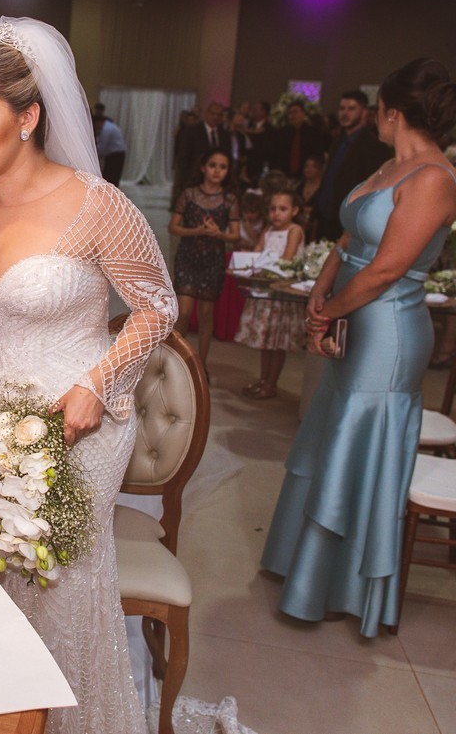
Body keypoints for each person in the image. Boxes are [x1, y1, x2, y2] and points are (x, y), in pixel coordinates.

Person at [0, 17, 176, 734]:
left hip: (76, 421)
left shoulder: (97, 206)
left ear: (30, 115)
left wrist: (96, 385)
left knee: (56, 588)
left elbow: (156, 306)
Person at [261, 58, 456, 637]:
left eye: (376, 107)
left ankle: (337, 588)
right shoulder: (387, 168)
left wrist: (329, 312)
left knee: (356, 445)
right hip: (353, 320)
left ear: (393, 111)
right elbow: (347, 245)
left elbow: (388, 269)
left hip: (389, 333)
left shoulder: (434, 177)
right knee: (326, 439)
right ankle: (302, 568)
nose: (373, 115)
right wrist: (319, 298)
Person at [169, 148, 240, 374]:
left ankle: (201, 364)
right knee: (185, 311)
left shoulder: (229, 199)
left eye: (223, 167)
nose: (217, 171)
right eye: (213, 165)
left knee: (207, 314)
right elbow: (173, 227)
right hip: (188, 257)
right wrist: (197, 230)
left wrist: (219, 234)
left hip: (213, 260)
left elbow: (236, 235)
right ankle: (177, 361)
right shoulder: (189, 194)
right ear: (203, 167)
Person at [235, 189, 306, 399]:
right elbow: (258, 254)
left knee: (277, 343)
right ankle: (263, 380)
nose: (276, 214)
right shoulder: (268, 230)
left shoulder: (294, 231)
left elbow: (287, 259)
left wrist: (263, 262)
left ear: (294, 211)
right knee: (266, 342)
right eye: (273, 209)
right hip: (266, 294)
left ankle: (272, 383)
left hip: (282, 295)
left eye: (282, 209)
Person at [313, 89, 394, 242]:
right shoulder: (338, 141)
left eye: (351, 109)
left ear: (364, 112)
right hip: (327, 214)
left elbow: (376, 187)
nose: (345, 113)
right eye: (342, 108)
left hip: (349, 218)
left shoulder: (374, 144)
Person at [173, 101, 231, 200]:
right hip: (194, 180)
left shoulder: (224, 134)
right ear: (206, 114)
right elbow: (183, 157)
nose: (216, 117)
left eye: (219, 115)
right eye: (213, 114)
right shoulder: (192, 131)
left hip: (216, 184)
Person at [269, 100, 328, 180]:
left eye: (295, 112)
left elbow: (318, 156)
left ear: (303, 114)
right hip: (283, 175)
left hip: (306, 175)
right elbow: (273, 155)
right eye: (290, 113)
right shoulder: (280, 133)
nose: (292, 115)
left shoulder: (314, 133)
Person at [93, 113, 126, 186]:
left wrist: (94, 156)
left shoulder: (106, 129)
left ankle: (110, 191)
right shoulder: (109, 126)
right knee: (113, 175)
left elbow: (102, 145)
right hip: (117, 153)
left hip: (115, 155)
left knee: (111, 175)